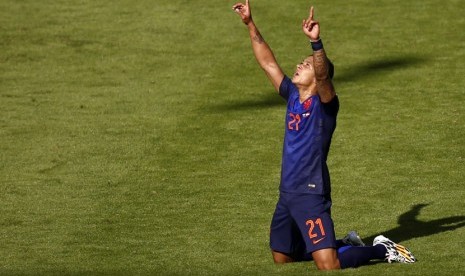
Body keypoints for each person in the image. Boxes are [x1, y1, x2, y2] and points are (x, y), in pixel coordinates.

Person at [232, 0, 416, 270]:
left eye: (306, 65)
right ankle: (342, 243)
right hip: (287, 193)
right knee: (283, 259)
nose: (299, 65)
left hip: (311, 194)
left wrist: (315, 45)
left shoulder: (326, 105)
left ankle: (381, 248)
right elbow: (268, 63)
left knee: (328, 266)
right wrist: (249, 23)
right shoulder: (293, 95)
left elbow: (323, 76)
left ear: (318, 78)